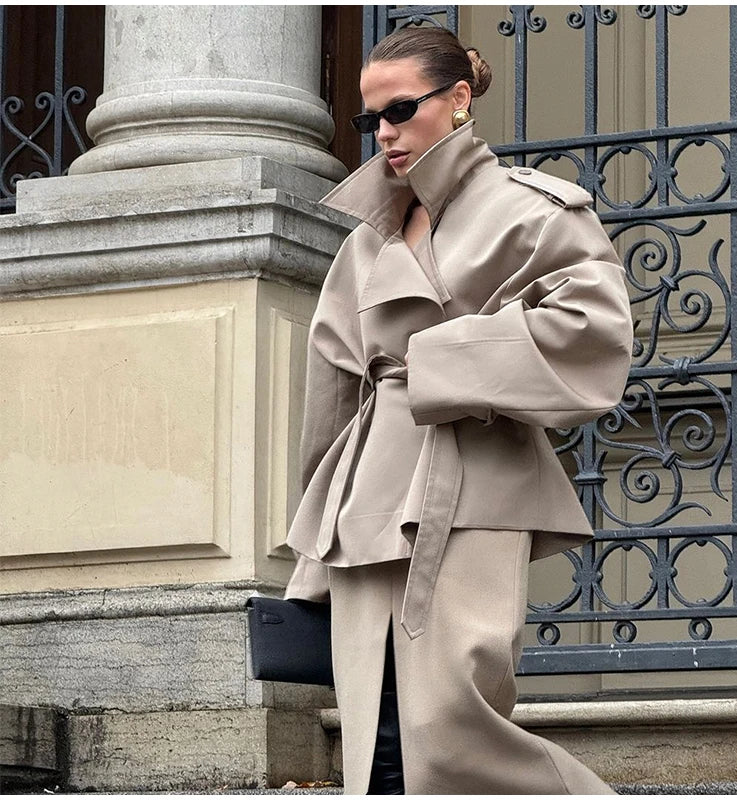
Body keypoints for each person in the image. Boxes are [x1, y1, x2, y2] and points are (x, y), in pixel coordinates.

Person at [283, 26, 633, 795]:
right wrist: (318, 528)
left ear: (460, 98)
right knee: (377, 743)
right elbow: (333, 388)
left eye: (401, 110)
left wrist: (439, 361)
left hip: (474, 481)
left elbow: (595, 333)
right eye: (370, 118)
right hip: (368, 499)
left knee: (450, 728)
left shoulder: (533, 211)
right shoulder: (366, 242)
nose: (384, 133)